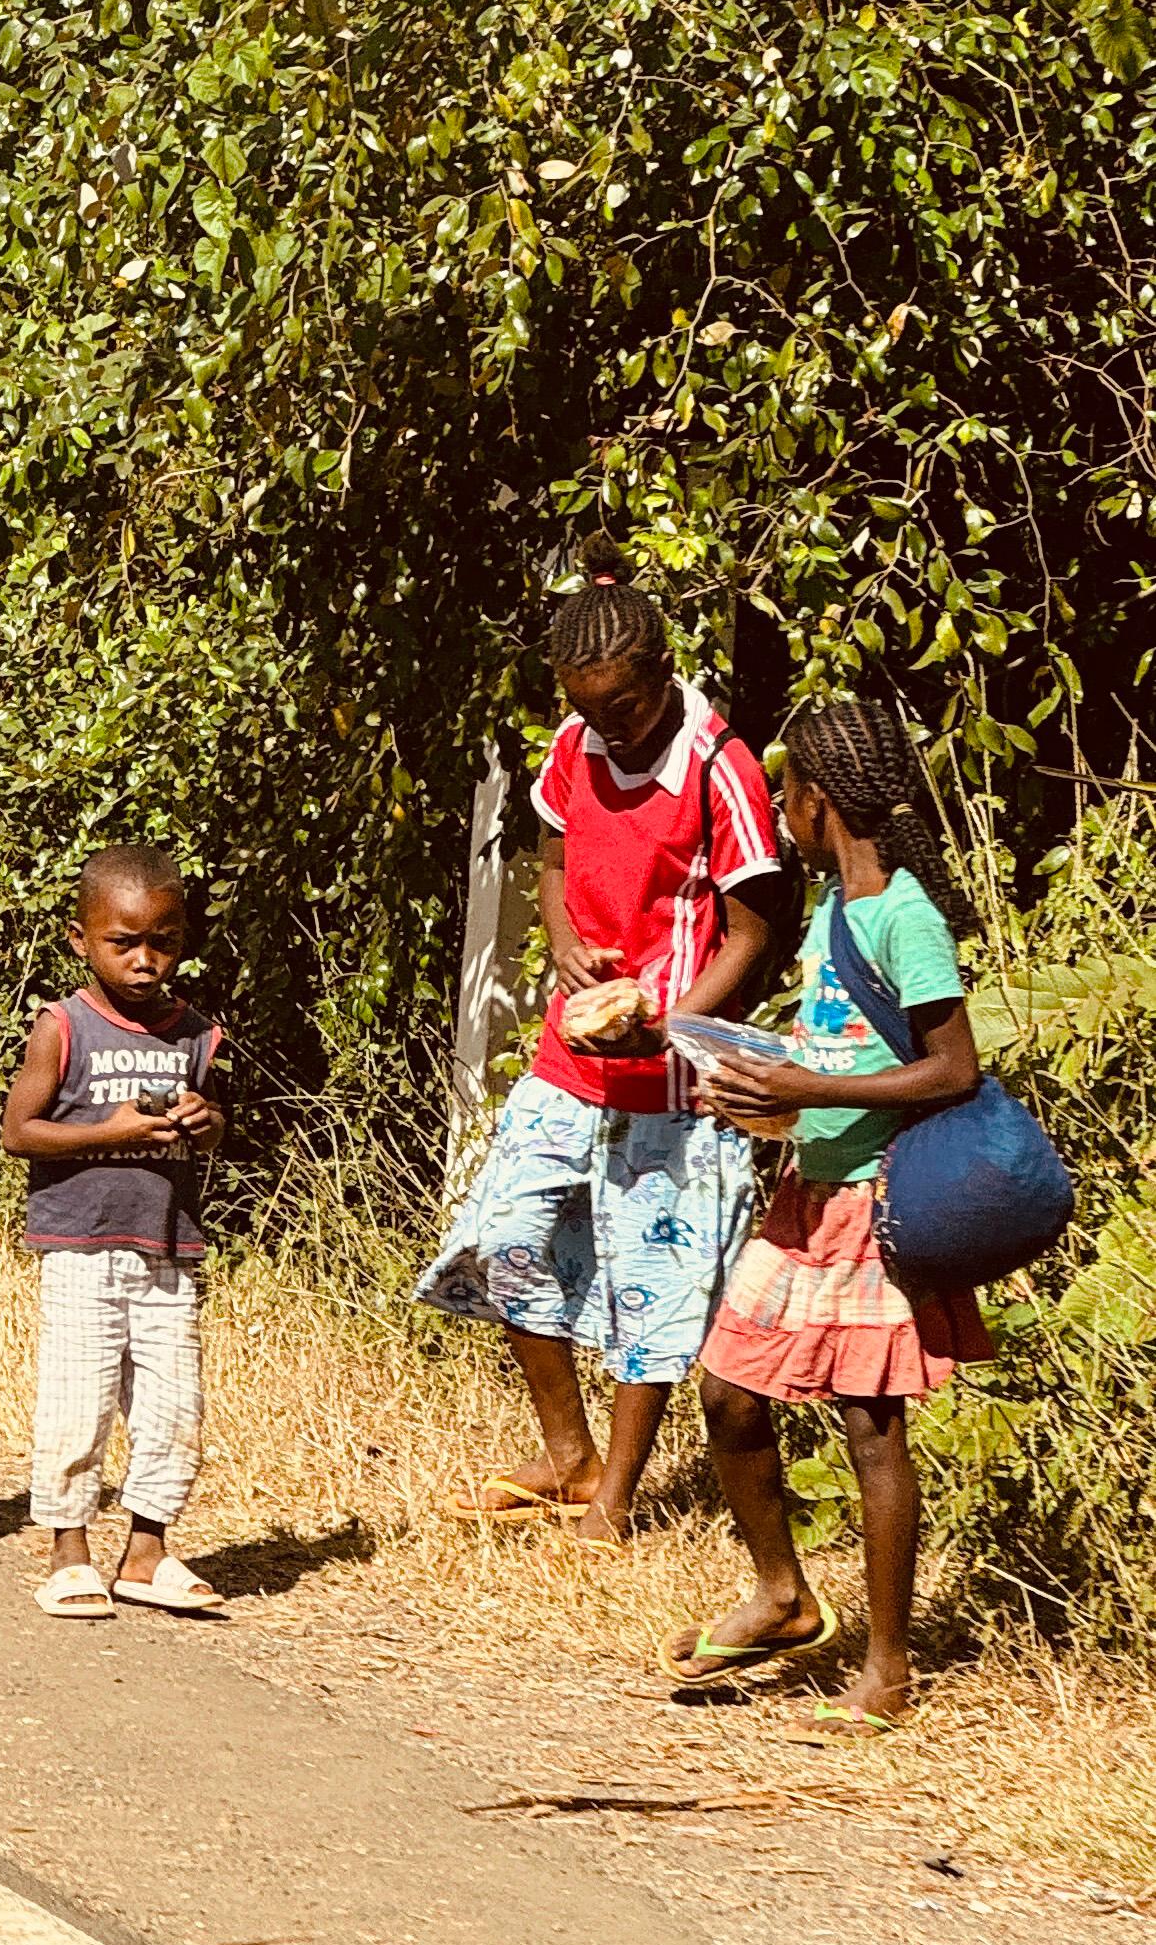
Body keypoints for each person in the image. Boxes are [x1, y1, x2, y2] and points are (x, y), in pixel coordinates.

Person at [416, 535, 785, 1546]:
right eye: (585, 711)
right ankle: (566, 1453)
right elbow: (550, 853)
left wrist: (676, 1023)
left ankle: (616, 1492)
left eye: (620, 708)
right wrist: (567, 944)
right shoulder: (577, 747)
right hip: (568, 1058)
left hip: (668, 1079)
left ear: (661, 678)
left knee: (650, 1283)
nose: (604, 730)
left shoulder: (720, 764)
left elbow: (755, 925)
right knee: (505, 1241)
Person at [669, 696, 991, 1732]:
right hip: (804, 1195)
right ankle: (782, 1594)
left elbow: (951, 1067)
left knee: (870, 1428)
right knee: (727, 1394)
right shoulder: (833, 914)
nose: (779, 816)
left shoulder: (903, 916)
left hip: (872, 1201)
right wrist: (759, 1083)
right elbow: (839, 1049)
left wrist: (807, 1093)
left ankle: (888, 1672)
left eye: (783, 798)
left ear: (813, 804)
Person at [1, 845, 226, 1620]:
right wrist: (109, 1129)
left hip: (168, 1243)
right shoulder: (62, 1026)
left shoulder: (196, 1033)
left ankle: (148, 1548)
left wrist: (207, 1121)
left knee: (173, 1404)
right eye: (121, 941)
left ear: (182, 940)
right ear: (81, 938)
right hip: (80, 1244)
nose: (142, 959)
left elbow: (215, 1128)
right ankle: (69, 1550)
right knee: (79, 1399)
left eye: (160, 941)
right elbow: (19, 1132)